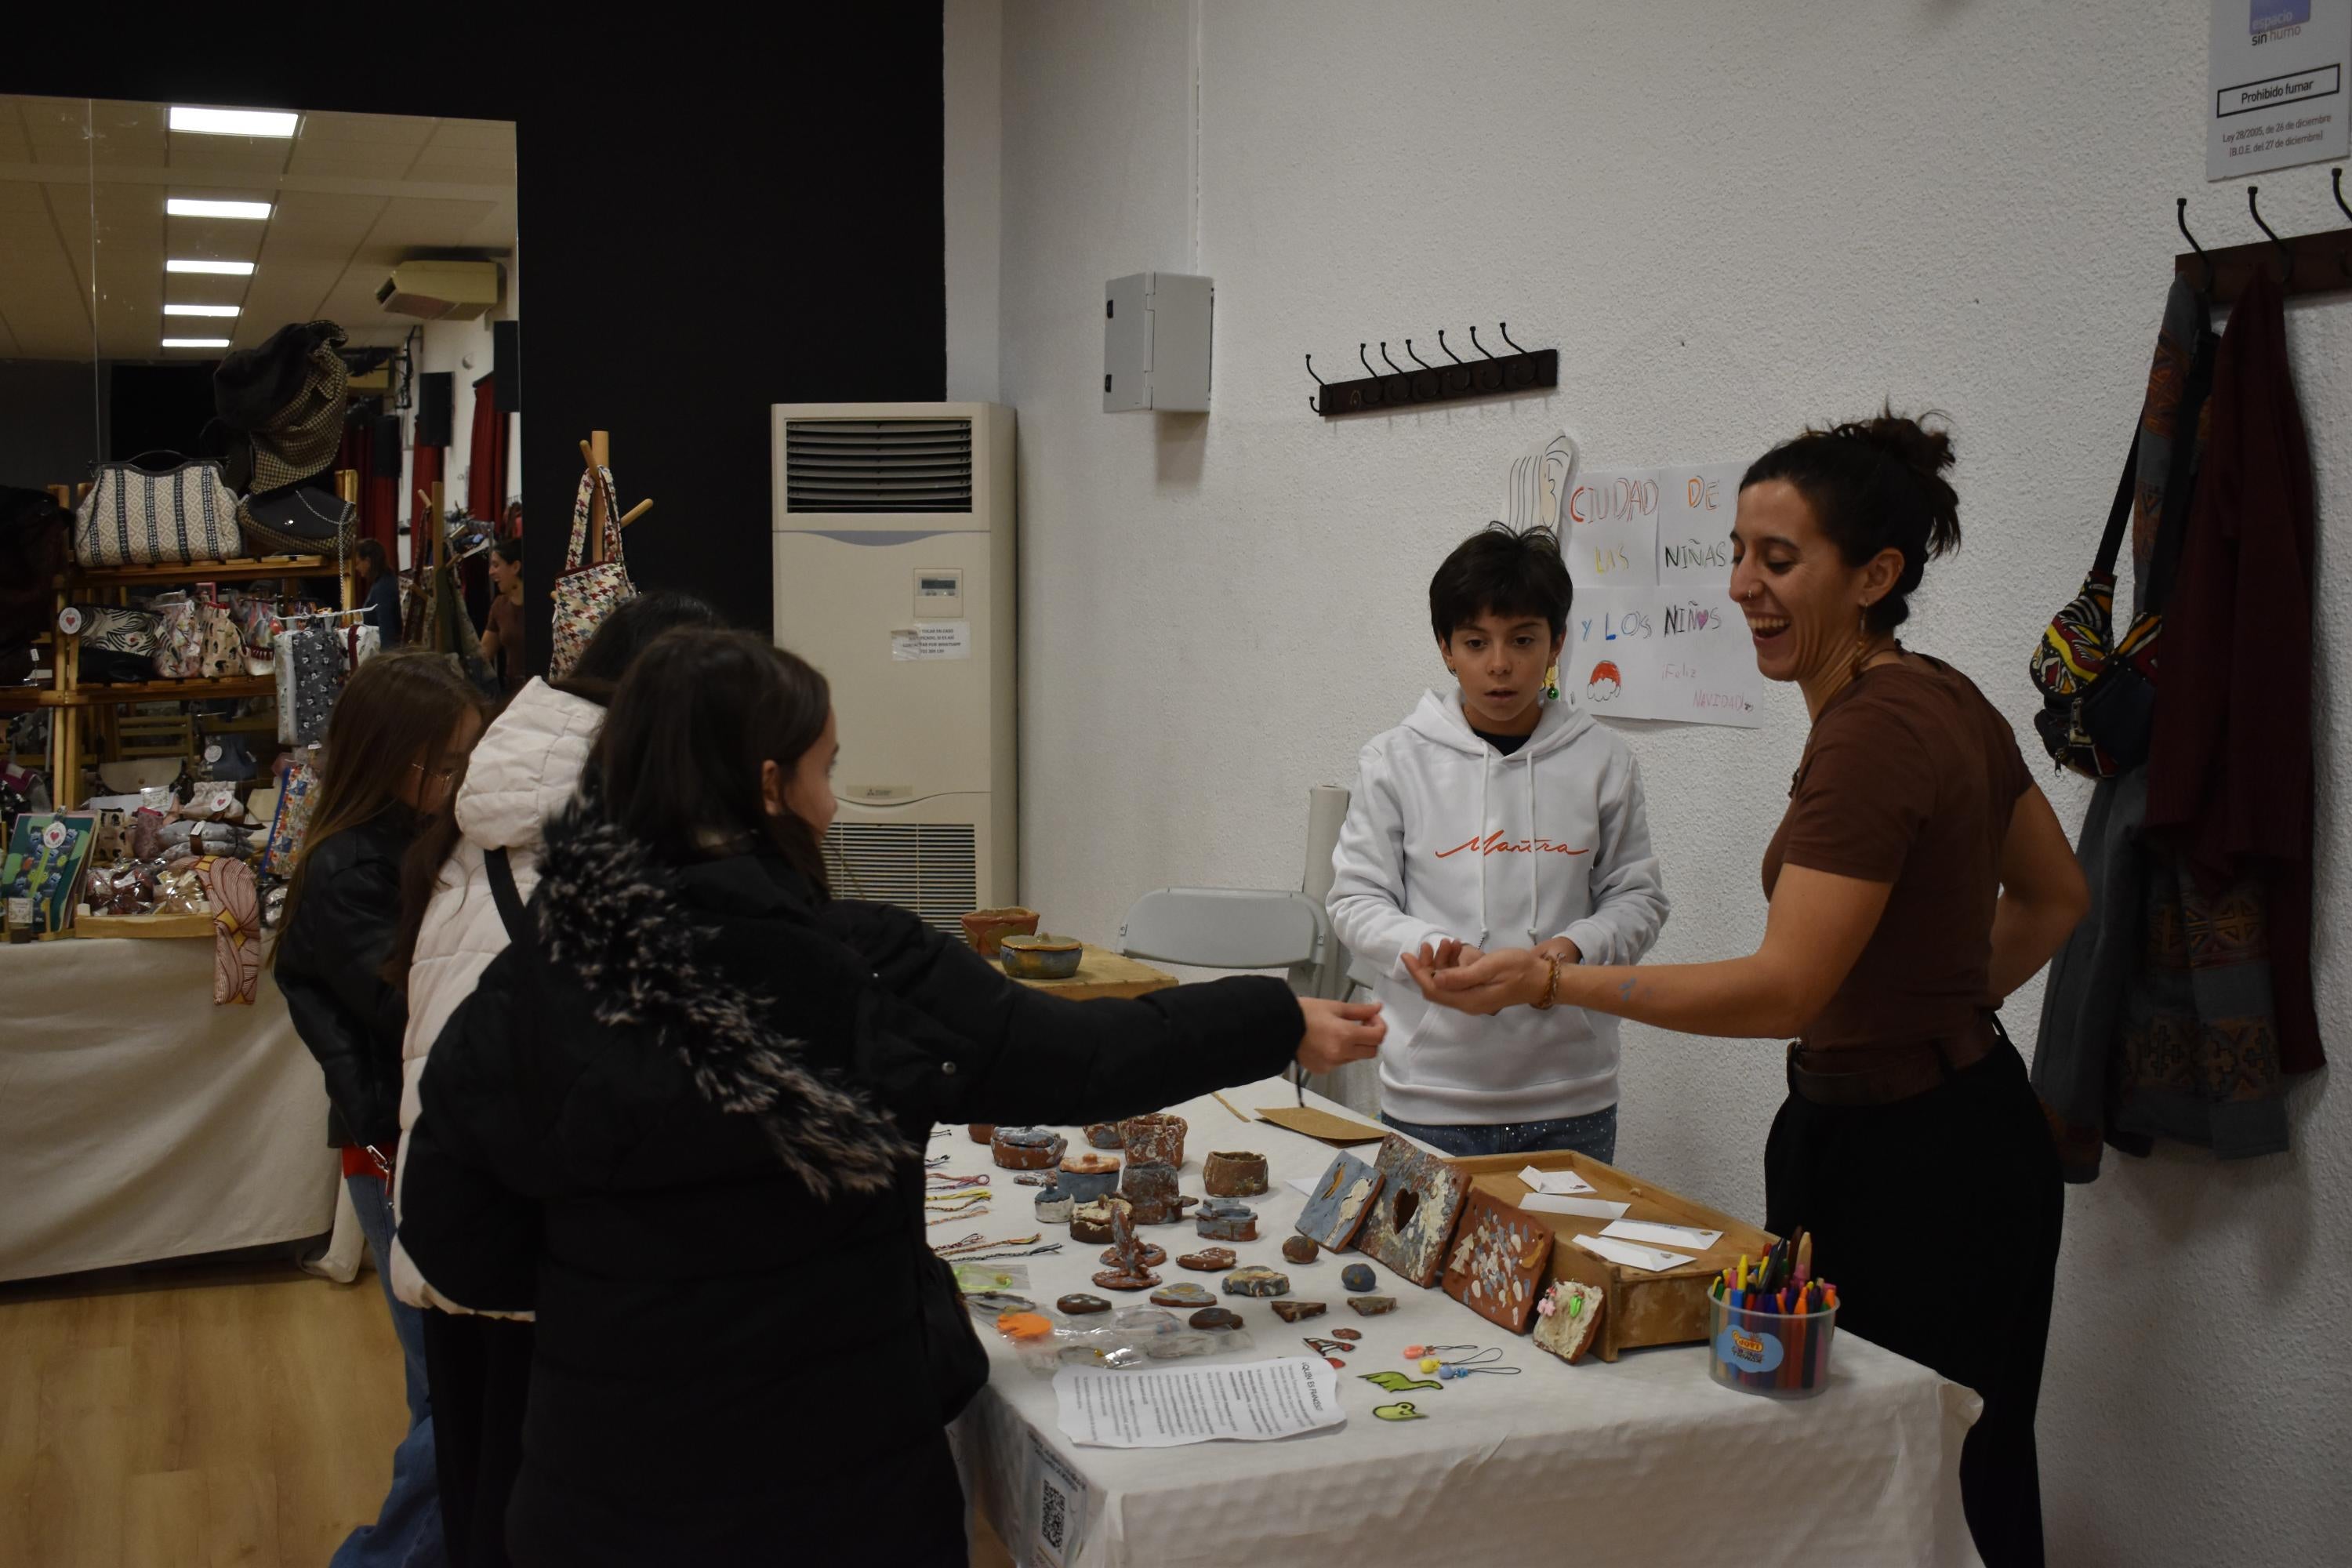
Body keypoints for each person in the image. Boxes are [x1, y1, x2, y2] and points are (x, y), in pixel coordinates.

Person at [397, 629, 1385, 1565]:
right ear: (770, 786)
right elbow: (1083, 1059)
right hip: (840, 1496)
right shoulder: (862, 964)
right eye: (826, 769)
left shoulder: (533, 980)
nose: (836, 803)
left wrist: (615, 1290)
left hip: (603, 1498)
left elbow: (450, 1235)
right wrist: (1274, 1016)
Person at [1406, 414, 2085, 1568]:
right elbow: (2058, 898)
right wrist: (1941, 1015)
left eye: (1780, 560)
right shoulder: (1941, 695)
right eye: (1737, 553)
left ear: (1875, 576)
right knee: (1969, 1460)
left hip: (1911, 1164)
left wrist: (1556, 980)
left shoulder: (1873, 735)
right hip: (1960, 1126)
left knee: (1897, 1478)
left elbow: (1782, 987)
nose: (1742, 588)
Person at [383, 592, 723, 1568]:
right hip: (553, 1251)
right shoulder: (604, 840)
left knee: (487, 1497)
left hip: (462, 1226)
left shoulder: (492, 817)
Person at [1327, 522, 1668, 1163]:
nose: (1500, 664)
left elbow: (1638, 899)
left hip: (1575, 1098)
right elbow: (1354, 900)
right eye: (1476, 642)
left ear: (1558, 644)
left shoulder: (1604, 760)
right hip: (1431, 1096)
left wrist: (1564, 956)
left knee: (1564, 1268)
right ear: (1446, 649)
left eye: (1523, 639)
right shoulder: (1394, 760)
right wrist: (1429, 952)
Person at [274, 649, 487, 1568]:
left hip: (412, 1139)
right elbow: (411, 1010)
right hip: (397, 1147)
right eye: (450, 763)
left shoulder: (408, 843)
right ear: (398, 761)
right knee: (453, 1401)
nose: (463, 781)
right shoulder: (349, 868)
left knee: (441, 1392)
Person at [476, 537, 524, 696]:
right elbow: (484, 654)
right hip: (513, 695)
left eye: (496, 565)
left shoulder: (542, 605)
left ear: (515, 567)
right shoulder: (499, 605)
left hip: (544, 692)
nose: (491, 572)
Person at [357, 538, 405, 647]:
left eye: (358, 563)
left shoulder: (383, 587)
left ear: (368, 561)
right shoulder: (386, 579)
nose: (357, 568)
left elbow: (387, 631)